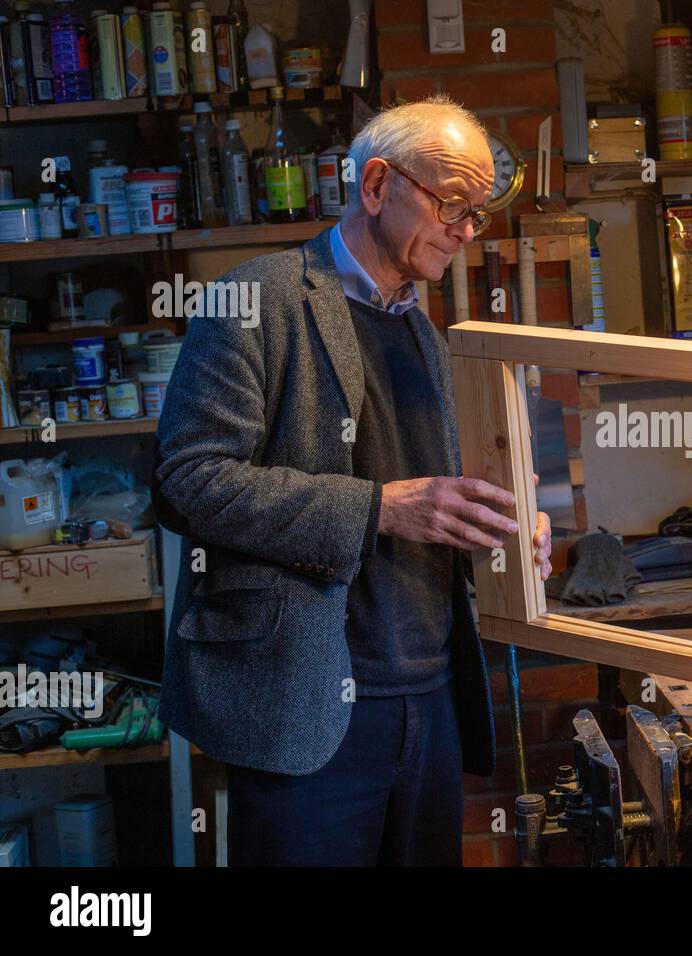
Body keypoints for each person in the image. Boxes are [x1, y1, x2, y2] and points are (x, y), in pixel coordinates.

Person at [153, 95, 552, 866]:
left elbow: (434, 500)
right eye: (454, 207)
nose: (467, 233)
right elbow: (189, 486)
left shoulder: (425, 336)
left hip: (428, 696)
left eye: (479, 215)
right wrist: (381, 510)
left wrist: (503, 525)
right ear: (377, 186)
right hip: (306, 703)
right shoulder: (256, 302)